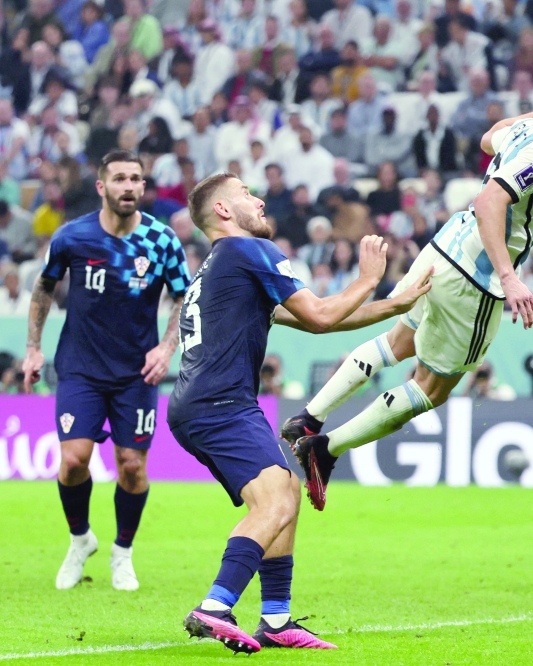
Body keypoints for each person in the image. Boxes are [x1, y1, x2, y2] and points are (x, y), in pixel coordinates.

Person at [285, 65, 533, 509]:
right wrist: (509, 277)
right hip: (476, 278)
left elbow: (489, 139)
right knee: (431, 389)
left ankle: (308, 418)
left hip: (446, 246)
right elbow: (491, 201)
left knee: (398, 341)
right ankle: (323, 451)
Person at [170, 172, 431, 652]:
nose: (260, 199)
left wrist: (396, 304)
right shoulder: (251, 252)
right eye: (247, 193)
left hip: (203, 402)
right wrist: (369, 278)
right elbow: (323, 314)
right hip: (220, 402)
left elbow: (318, 322)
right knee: (274, 502)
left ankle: (276, 619)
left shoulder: (221, 267)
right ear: (224, 211)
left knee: (288, 486)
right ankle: (215, 606)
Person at [21, 150, 191, 592]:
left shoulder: (162, 240)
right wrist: (33, 348)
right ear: (102, 187)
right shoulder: (72, 237)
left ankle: (123, 552)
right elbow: (43, 288)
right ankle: (81, 540)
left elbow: (182, 297)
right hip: (79, 367)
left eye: (136, 178)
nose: (129, 186)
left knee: (131, 466)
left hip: (137, 373)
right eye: (119, 179)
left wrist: (167, 346)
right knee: (74, 460)